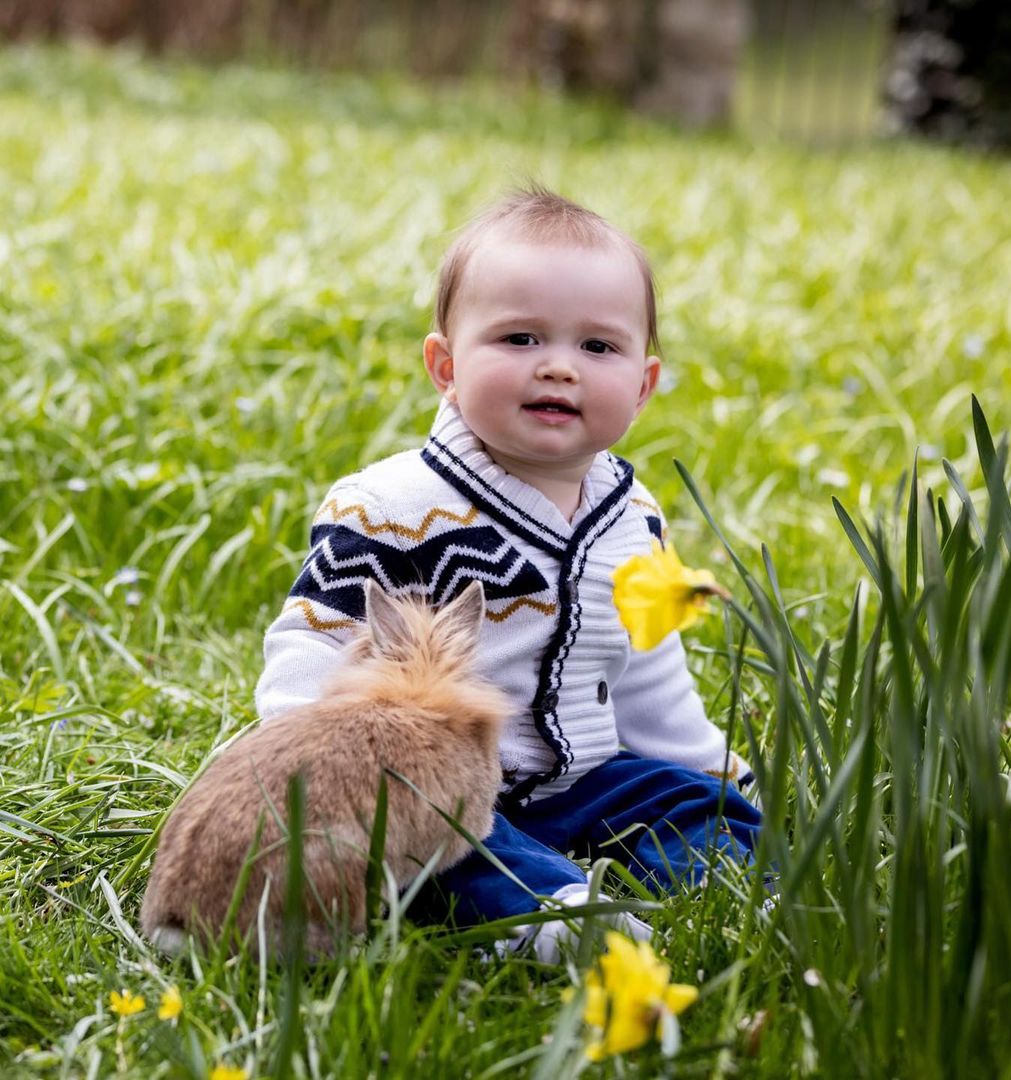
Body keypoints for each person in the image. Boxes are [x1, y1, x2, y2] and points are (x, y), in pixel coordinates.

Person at [255, 186, 761, 959]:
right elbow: (314, 645)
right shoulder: (390, 507)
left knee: (701, 809)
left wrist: (710, 768)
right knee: (445, 848)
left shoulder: (631, 517)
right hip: (443, 781)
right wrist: (305, 774)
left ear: (644, 385)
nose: (559, 368)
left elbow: (649, 672)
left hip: (588, 776)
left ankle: (720, 887)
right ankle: (557, 919)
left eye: (598, 348)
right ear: (445, 367)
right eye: (520, 339)